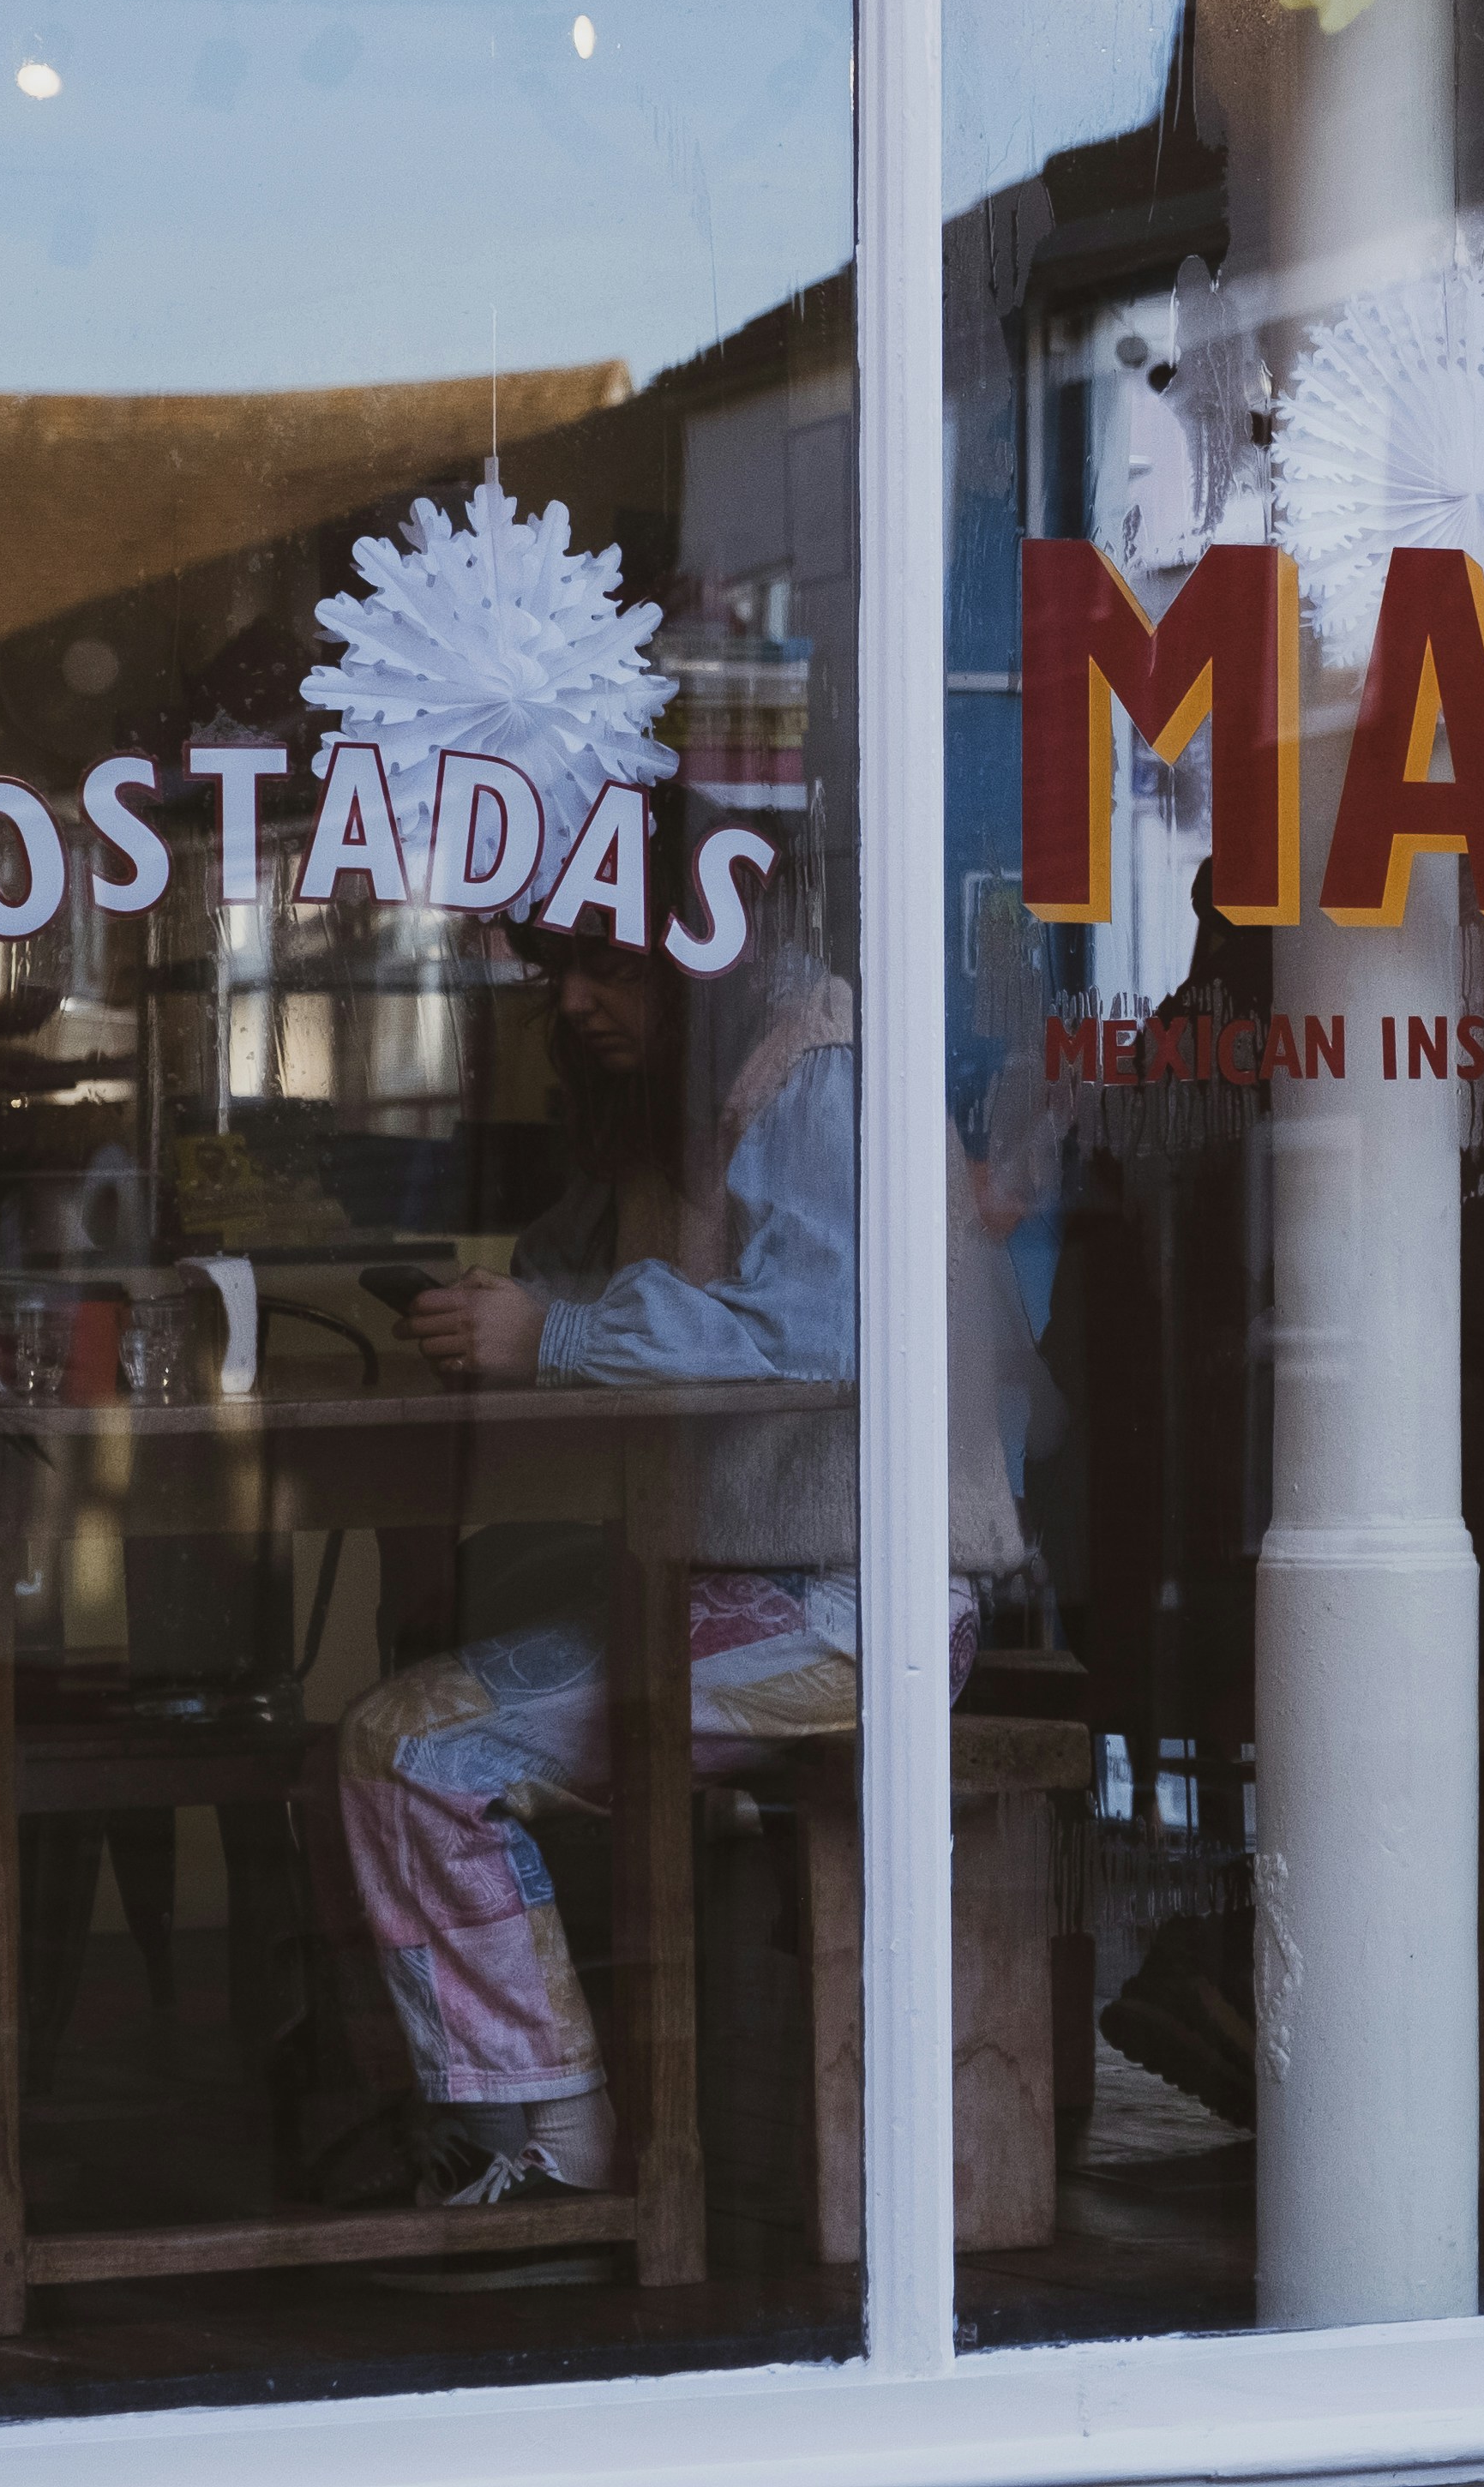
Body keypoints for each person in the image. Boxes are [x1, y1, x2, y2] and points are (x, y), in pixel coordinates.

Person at [321, 844, 1042, 2221]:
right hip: (777, 1597)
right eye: (559, 968)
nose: (577, 999)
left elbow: (821, 1333)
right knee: (410, 1711)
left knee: (410, 1743)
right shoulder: (721, 1089)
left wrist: (559, 1337)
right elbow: (610, 1273)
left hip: (856, 1610)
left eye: (612, 965)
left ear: (696, 953)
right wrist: (531, 1316)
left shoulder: (818, 1072)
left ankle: (561, 2140)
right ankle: (527, 2122)